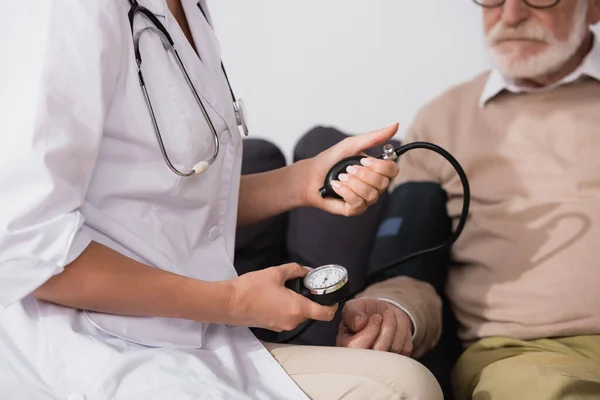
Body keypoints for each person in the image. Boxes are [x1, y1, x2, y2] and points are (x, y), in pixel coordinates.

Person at [0, 1, 444, 400]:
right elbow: (26, 245)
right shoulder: (66, 10)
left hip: (192, 339)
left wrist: (302, 181)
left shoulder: (189, 10)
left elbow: (168, 201)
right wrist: (233, 302)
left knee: (403, 383)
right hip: (86, 346)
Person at [337, 0, 600, 399]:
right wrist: (392, 311)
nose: (510, 16)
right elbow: (410, 268)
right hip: (532, 358)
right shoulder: (443, 121)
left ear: (592, 8)